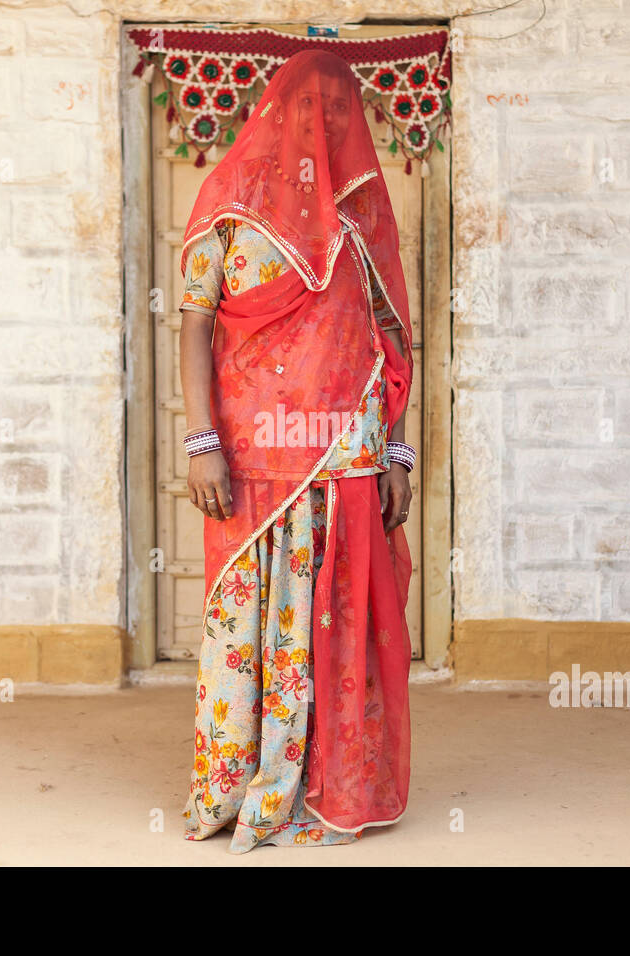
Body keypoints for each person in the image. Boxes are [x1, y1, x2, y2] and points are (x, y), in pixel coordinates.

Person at [177, 49, 416, 852]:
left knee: (336, 625)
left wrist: (400, 455)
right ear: (278, 112)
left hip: (345, 456)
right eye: (317, 110)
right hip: (252, 459)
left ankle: (329, 783)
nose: (333, 126)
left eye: (345, 112)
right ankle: (239, 786)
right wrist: (201, 440)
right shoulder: (229, 206)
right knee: (248, 621)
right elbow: (196, 323)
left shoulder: (362, 219)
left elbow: (390, 343)